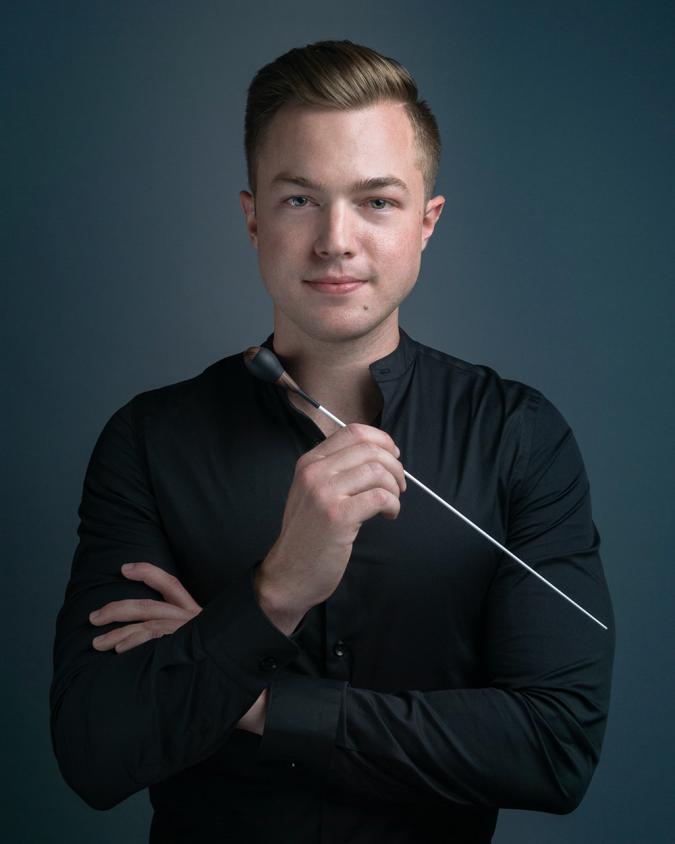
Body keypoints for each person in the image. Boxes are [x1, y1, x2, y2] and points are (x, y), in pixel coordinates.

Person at [50, 40, 614, 843]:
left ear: (427, 223)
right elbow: (94, 753)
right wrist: (276, 589)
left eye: (376, 201)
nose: (335, 241)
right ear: (252, 218)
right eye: (299, 200)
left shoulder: (518, 437)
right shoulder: (150, 440)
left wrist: (247, 697)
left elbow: (554, 751)